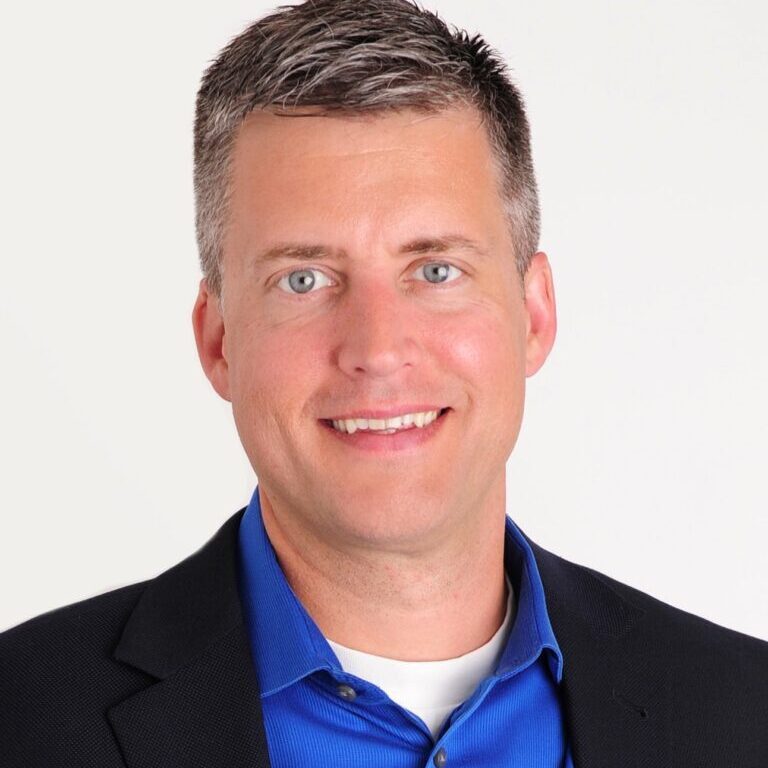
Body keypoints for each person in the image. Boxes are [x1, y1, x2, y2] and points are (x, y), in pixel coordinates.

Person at [1, 0, 766, 765]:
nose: (377, 349)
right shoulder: (21, 718)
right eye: (303, 279)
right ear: (219, 339)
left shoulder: (741, 713)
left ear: (533, 314)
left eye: (436, 270)